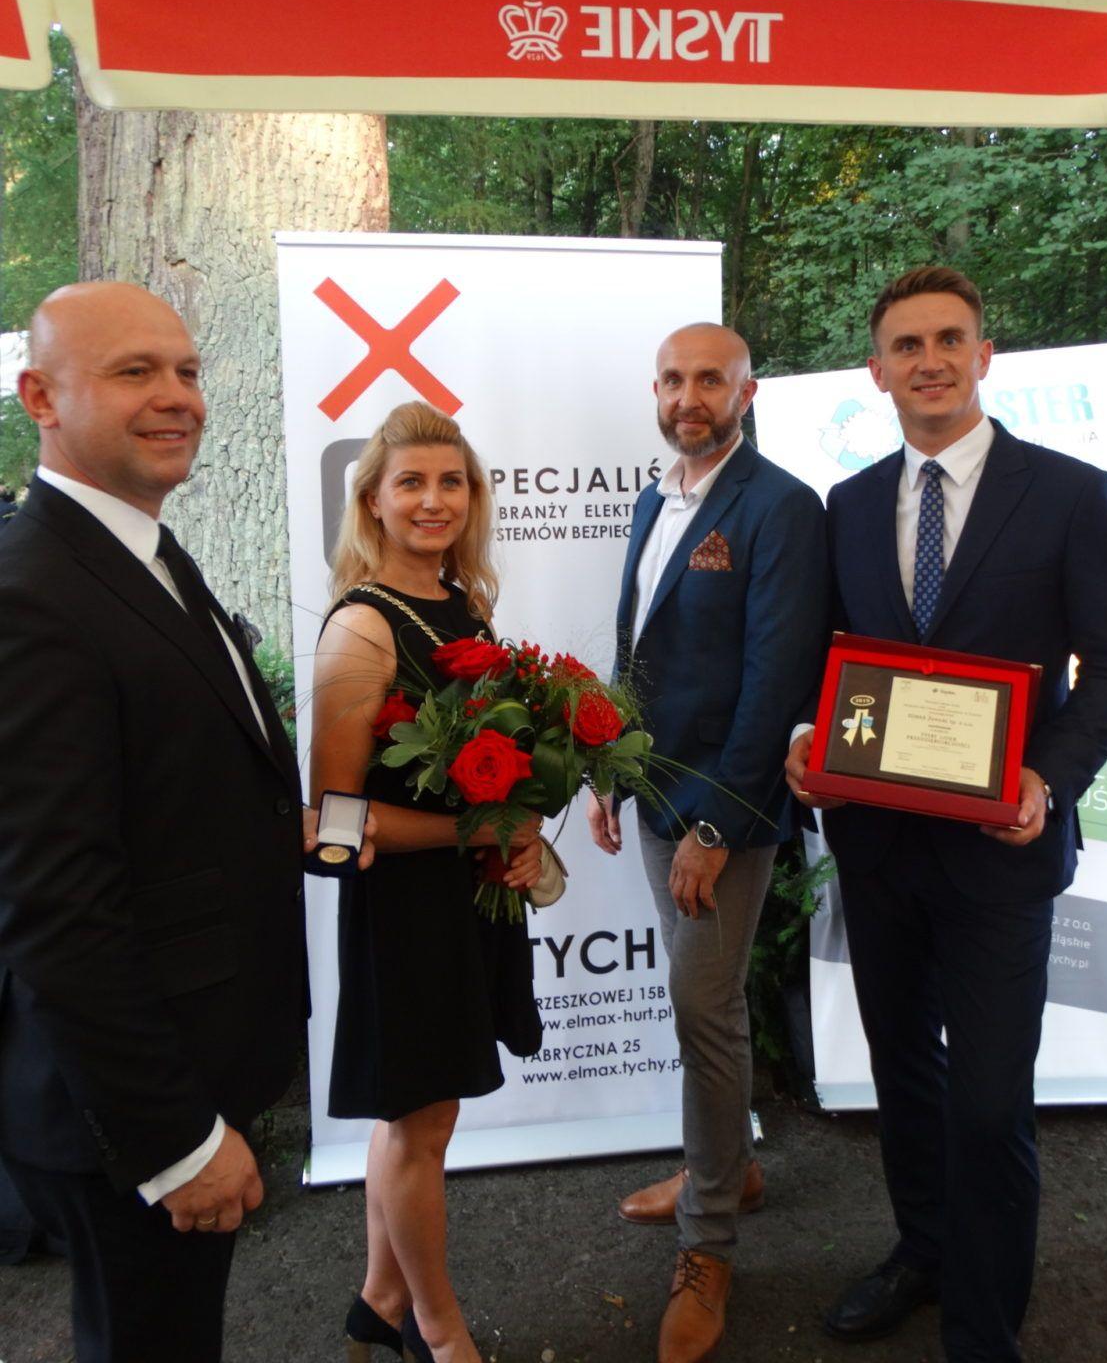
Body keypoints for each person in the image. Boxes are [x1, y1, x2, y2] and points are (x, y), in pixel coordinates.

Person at [786, 266, 1107, 1363]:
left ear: (985, 355)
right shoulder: (849, 505)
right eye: (907, 345)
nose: (931, 360)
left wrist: (1047, 778)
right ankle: (925, 1251)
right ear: (877, 371)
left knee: (990, 1105)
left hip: (1003, 850)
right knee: (904, 1074)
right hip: (881, 847)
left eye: (950, 339)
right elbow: (830, 665)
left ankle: (983, 1330)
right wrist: (807, 743)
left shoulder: (1072, 494)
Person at [0, 282, 328, 1362]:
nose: (179, 396)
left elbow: (172, 792)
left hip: (194, 1060)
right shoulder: (30, 592)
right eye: (135, 371)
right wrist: (177, 1143)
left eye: (186, 370)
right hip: (129, 1114)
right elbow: (57, 911)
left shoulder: (140, 548)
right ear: (40, 397)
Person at [587, 323, 829, 1363]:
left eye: (710, 381)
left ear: (746, 391)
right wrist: (606, 764)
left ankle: (709, 1240)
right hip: (651, 788)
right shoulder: (657, 497)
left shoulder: (780, 506)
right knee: (708, 1007)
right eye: (674, 380)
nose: (689, 397)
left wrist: (717, 824)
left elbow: (777, 678)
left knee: (703, 1009)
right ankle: (728, 1166)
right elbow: (635, 643)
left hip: (720, 812)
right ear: (657, 389)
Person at [310, 401, 545, 1363]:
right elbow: (331, 825)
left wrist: (523, 826)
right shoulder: (362, 628)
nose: (434, 500)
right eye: (411, 482)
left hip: (466, 900)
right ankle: (439, 1332)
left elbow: (503, 773)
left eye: (453, 482)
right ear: (372, 500)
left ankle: (380, 1301)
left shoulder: (466, 607)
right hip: (405, 913)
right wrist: (477, 827)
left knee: (418, 1119)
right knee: (421, 1129)